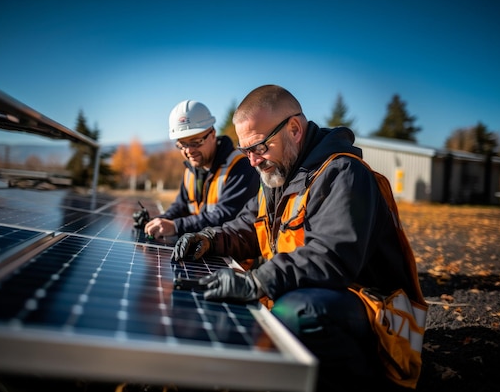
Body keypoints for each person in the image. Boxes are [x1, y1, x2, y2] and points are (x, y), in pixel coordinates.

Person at [171, 85, 424, 391]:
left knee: (298, 312)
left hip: (374, 314)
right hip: (325, 297)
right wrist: (209, 238)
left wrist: (258, 281)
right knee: (280, 306)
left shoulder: (343, 173)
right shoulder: (279, 176)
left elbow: (331, 256)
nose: (252, 161)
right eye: (246, 151)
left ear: (294, 129)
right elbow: (249, 226)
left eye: (259, 147)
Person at [144, 100, 260, 239]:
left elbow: (225, 216)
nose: (189, 151)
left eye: (196, 142)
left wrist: (176, 226)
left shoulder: (241, 166)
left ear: (212, 134)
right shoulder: (191, 170)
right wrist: (158, 221)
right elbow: (180, 207)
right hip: (200, 247)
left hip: (233, 258)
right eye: (182, 144)